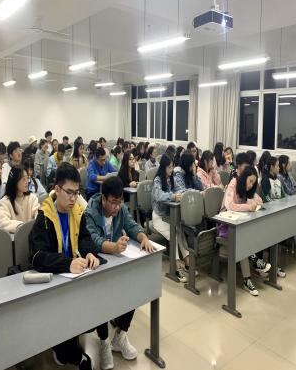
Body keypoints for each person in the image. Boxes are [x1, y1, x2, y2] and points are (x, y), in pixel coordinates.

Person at [29, 163, 98, 370]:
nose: (73, 198)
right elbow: (38, 257)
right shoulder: (44, 217)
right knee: (63, 311)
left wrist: (89, 252)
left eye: (77, 193)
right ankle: (70, 353)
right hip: (54, 281)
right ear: (56, 189)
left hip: (74, 278)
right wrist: (68, 264)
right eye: (69, 192)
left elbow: (84, 238)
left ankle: (68, 348)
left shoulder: (77, 212)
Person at [86, 176, 154, 368]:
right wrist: (114, 247)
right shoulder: (90, 212)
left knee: (132, 289)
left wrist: (143, 237)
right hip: (97, 263)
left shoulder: (121, 208)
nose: (117, 207)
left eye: (120, 202)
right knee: (101, 299)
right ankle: (104, 342)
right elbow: (93, 240)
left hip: (117, 261)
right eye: (113, 202)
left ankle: (120, 336)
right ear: (103, 199)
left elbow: (131, 225)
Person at [219, 166, 269, 296]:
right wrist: (248, 207)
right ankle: (253, 267)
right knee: (242, 239)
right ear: (244, 177)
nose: (251, 185)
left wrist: (255, 201)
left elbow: (257, 199)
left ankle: (252, 272)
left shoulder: (246, 188)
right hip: (226, 226)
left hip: (240, 225)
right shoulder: (233, 184)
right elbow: (230, 206)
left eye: (253, 183)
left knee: (250, 233)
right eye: (250, 181)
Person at [152, 154, 189, 282]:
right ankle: (176, 267)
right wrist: (173, 196)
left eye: (172, 167)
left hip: (170, 217)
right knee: (174, 235)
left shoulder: (172, 178)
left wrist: (186, 193)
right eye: (169, 167)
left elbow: (181, 189)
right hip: (159, 217)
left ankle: (188, 262)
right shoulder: (158, 180)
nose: (171, 170)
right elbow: (159, 195)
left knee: (180, 232)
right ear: (163, 167)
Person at [0, 166, 39, 234]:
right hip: (15, 238)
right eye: (23, 179)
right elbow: (2, 222)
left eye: (27, 178)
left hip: (32, 236)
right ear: (15, 181)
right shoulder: (5, 202)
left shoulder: (32, 198)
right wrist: (23, 226)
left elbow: (38, 216)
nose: (27, 182)